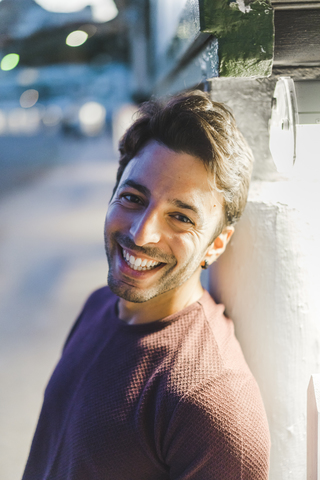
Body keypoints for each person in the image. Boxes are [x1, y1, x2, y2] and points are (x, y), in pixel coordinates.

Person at [22, 90, 270, 479]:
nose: (142, 233)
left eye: (181, 218)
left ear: (217, 243)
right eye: (133, 197)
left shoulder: (214, 402)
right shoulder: (99, 305)